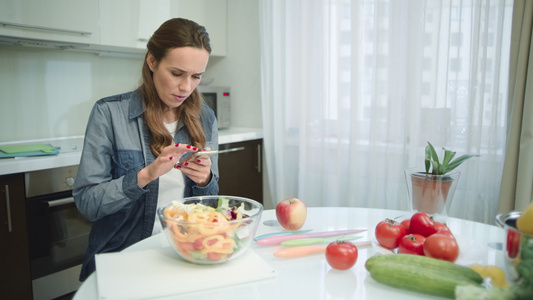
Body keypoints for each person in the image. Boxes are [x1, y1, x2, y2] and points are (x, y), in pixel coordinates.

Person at [73, 18, 219, 281]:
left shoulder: (205, 118)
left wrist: (205, 179)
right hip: (122, 259)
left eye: (196, 76)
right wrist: (146, 175)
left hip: (183, 254)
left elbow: (209, 201)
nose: (186, 87)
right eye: (176, 73)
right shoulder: (109, 113)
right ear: (152, 61)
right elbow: (87, 203)